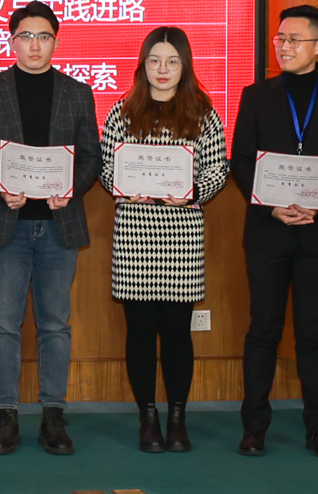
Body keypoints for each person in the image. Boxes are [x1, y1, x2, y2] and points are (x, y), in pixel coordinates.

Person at [0, 1, 101, 457]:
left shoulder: (77, 93)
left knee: (55, 325)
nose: (34, 45)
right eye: (26, 36)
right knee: (3, 323)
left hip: (59, 224)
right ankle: (6, 415)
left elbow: (91, 156)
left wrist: (71, 190)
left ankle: (53, 416)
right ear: (12, 41)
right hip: (8, 225)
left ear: (55, 42)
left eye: (43, 36)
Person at [231, 4, 318, 460]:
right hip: (267, 231)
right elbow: (241, 159)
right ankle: (254, 427)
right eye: (279, 39)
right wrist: (271, 207)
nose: (283, 47)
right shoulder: (256, 95)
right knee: (262, 329)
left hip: (317, 234)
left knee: (312, 333)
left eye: (294, 39)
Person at [98, 25, 228, 453]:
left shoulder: (203, 114)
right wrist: (122, 186)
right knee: (139, 331)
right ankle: (148, 417)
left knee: (176, 332)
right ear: (143, 65)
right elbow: (105, 167)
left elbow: (217, 170)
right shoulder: (122, 112)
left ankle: (177, 417)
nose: (162, 69)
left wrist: (191, 192)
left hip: (182, 234)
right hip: (135, 231)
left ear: (185, 66)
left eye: (172, 61)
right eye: (154, 60)